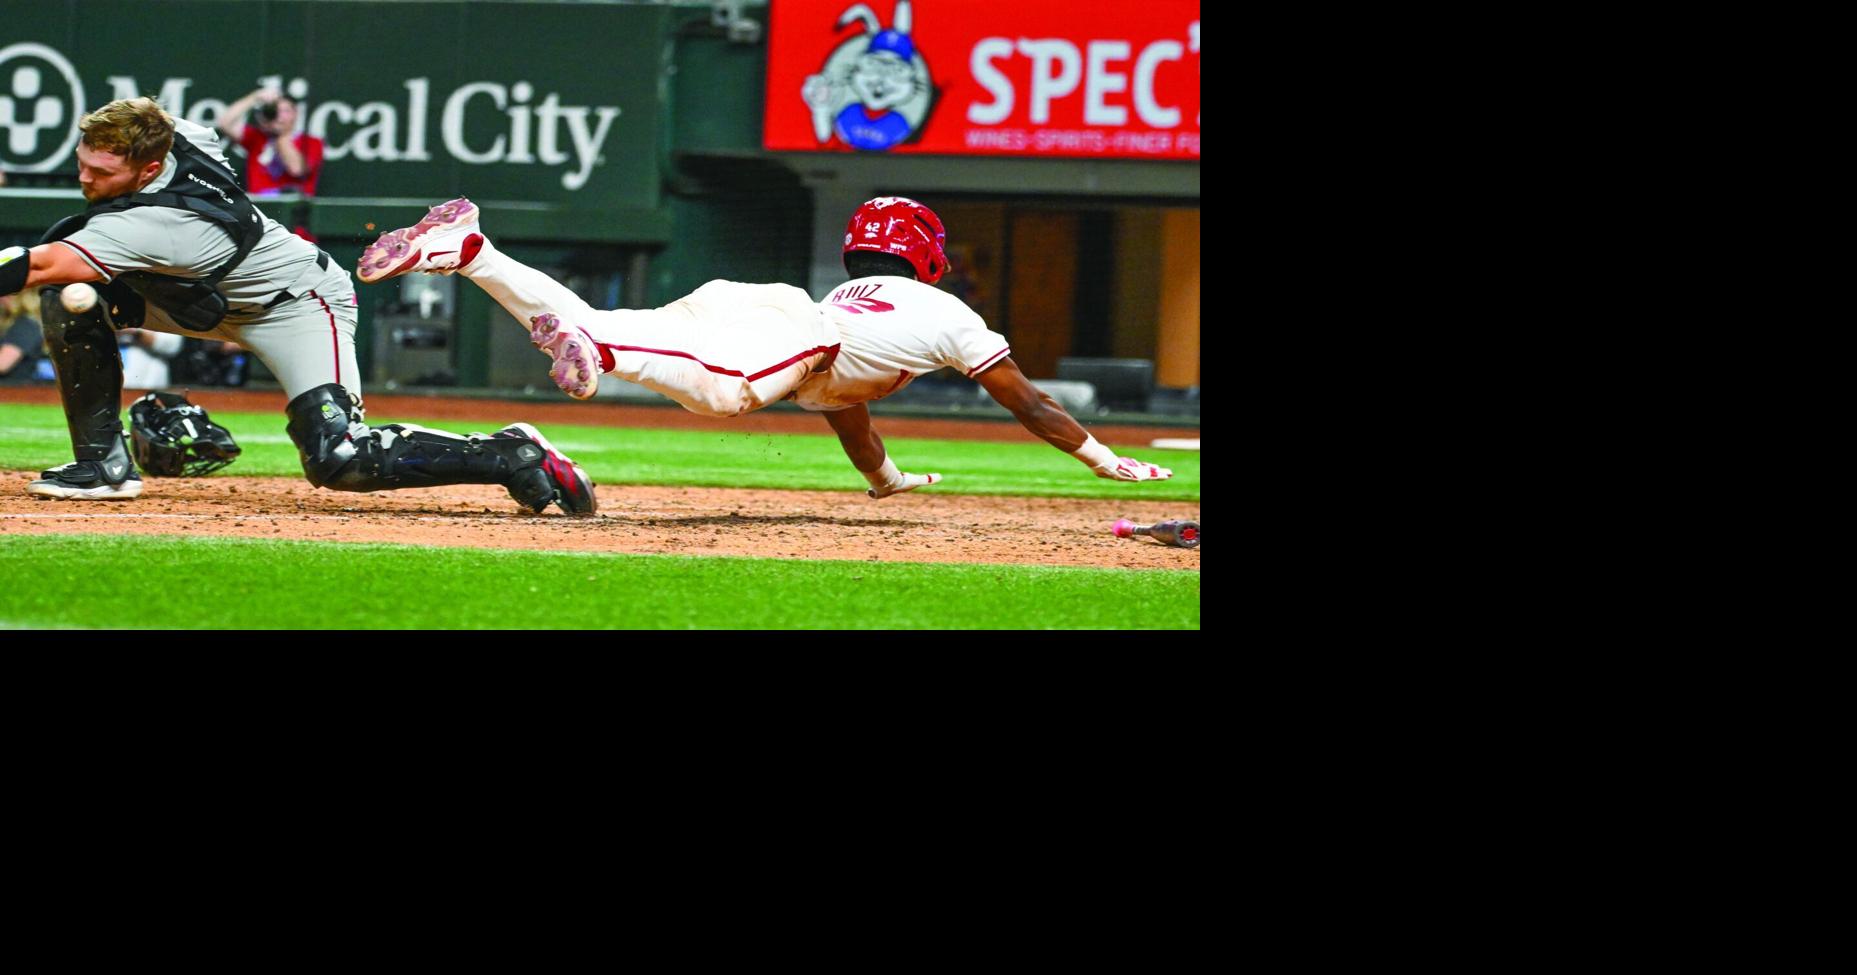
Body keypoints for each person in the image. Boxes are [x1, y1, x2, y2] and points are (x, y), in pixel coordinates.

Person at [0, 97, 594, 512]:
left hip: (296, 304)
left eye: (99, 170)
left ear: (151, 168)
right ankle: (103, 465)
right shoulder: (177, 135)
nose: (83, 176)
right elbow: (151, 118)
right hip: (193, 297)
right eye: (82, 160)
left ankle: (509, 453)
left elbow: (36, 265)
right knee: (74, 301)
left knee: (339, 457)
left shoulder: (156, 222)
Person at [357, 195, 1171, 496]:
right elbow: (1027, 400)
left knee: (609, 330)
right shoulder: (948, 313)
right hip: (790, 334)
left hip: (757, 309)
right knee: (725, 393)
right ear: (926, 251)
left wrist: (888, 481)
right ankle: (596, 351)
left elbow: (845, 409)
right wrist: (1107, 458)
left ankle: (471, 252)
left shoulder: (851, 297)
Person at [216, 87, 324, 197]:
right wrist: (255, 97)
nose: (279, 116)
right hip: (260, 206)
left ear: (295, 114)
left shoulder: (312, 142)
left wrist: (281, 135)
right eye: (275, 111)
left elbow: (296, 169)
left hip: (291, 208)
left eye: (285, 111)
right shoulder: (258, 137)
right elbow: (225, 123)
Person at [0, 290, 47, 385]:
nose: (2, 298)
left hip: (13, 390)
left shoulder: (26, 325)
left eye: (8, 295)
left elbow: (3, 364)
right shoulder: (14, 322)